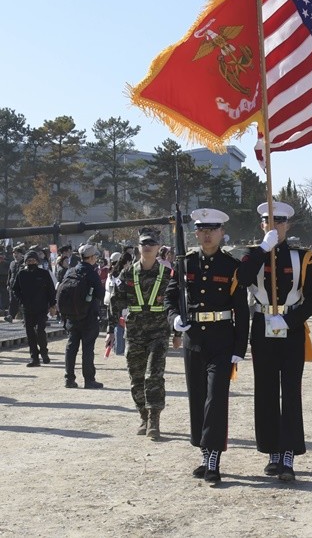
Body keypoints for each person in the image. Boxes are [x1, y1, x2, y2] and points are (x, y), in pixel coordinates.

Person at [237, 201, 312, 482]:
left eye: (279, 221)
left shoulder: (303, 257)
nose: (273, 226)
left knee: (291, 390)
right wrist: (263, 249)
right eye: (268, 221)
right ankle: (272, 450)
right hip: (262, 325)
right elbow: (242, 280)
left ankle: (289, 452)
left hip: (290, 327)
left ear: (288, 225)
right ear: (262, 225)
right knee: (266, 390)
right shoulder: (252, 254)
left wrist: (289, 320)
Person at [165, 208, 250, 485]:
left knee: (216, 399)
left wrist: (240, 346)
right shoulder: (185, 263)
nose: (207, 235)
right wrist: (174, 319)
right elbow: (171, 297)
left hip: (222, 340)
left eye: (212, 230)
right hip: (194, 340)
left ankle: (213, 457)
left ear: (222, 233)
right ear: (196, 233)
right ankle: (203, 452)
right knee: (198, 399)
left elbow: (241, 310)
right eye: (202, 230)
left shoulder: (231, 266)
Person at [109, 229, 172, 440]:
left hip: (158, 333)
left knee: (153, 376)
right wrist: (111, 330)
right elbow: (115, 303)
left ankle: (154, 419)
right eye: (144, 243)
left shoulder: (166, 275)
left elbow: (175, 304)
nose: (147, 246)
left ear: (158, 248)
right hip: (134, 333)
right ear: (138, 248)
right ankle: (143, 416)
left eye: (152, 243)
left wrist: (178, 331)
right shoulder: (126, 274)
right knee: (136, 378)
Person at [61, 244, 105, 389]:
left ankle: (69, 379)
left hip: (71, 316)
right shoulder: (91, 273)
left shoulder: (71, 271)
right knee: (87, 348)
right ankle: (89, 380)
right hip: (88, 317)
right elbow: (100, 294)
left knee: (71, 347)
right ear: (91, 257)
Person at [11, 249, 57, 366]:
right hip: (27, 309)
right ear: (25, 262)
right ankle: (34, 358)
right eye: (29, 261)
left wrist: (52, 305)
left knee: (40, 331)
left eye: (33, 260)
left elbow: (51, 290)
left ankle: (44, 352)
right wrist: (22, 301)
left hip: (42, 308)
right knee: (30, 333)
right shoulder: (21, 274)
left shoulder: (44, 273)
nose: (31, 262)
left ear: (37, 261)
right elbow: (15, 289)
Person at [6, 245, 26, 322]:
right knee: (12, 302)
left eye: (17, 253)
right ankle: (10, 316)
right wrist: (8, 284)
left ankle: (25, 318)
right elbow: (10, 274)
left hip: (21, 286)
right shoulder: (12, 263)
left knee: (23, 303)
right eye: (14, 253)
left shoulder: (24, 263)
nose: (15, 255)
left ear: (21, 254)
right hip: (12, 285)